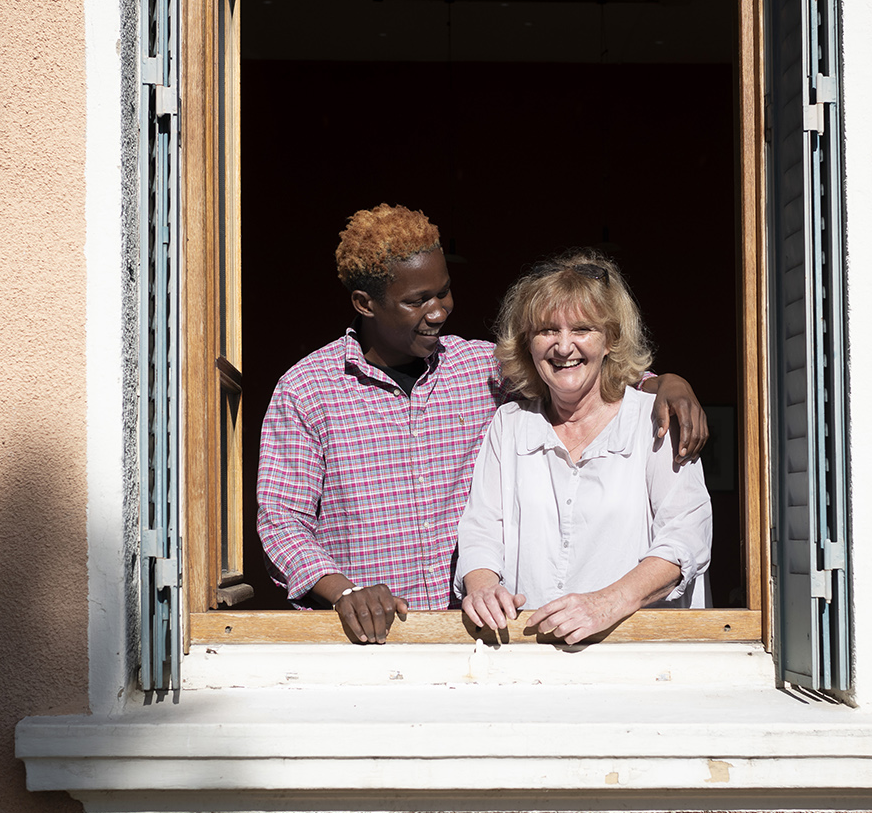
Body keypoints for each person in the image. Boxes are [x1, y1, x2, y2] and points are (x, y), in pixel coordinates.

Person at [256, 204, 707, 644]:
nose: (438, 311)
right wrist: (344, 591)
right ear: (365, 303)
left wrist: (667, 382)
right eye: (417, 301)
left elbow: (578, 371)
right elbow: (281, 521)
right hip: (370, 637)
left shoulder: (477, 367)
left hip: (468, 635)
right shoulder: (307, 391)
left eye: (443, 292)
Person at [455, 250, 712, 644]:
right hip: (530, 652)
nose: (563, 346)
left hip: (639, 654)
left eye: (582, 329)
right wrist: (483, 585)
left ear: (610, 339)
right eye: (546, 330)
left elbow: (685, 538)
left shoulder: (654, 420)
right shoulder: (509, 425)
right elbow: (482, 529)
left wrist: (607, 603)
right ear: (527, 344)